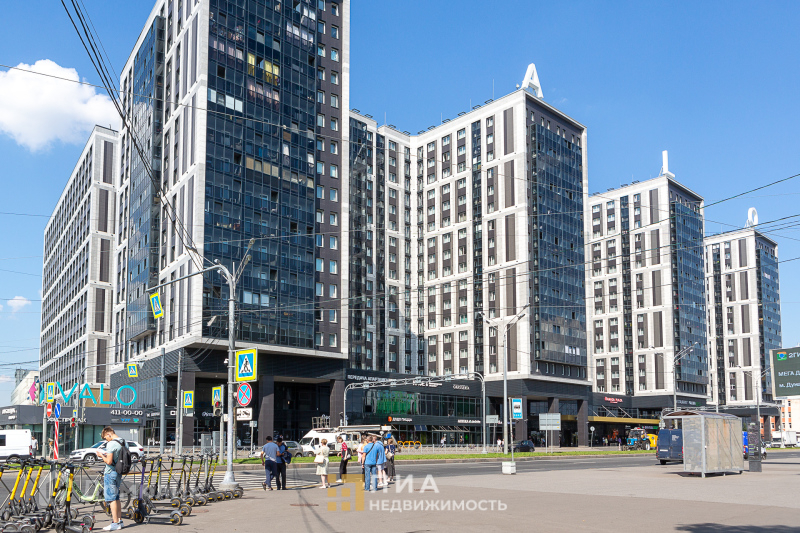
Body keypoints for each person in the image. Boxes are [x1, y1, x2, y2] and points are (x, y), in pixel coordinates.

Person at [96, 426, 124, 531]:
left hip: (110, 472)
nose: (106, 440)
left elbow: (109, 461)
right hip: (119, 472)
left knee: (111, 499)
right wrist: (107, 454)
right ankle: (120, 521)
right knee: (116, 497)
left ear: (109, 434)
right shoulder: (123, 441)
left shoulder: (111, 443)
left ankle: (115, 523)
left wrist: (101, 455)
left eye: (106, 438)